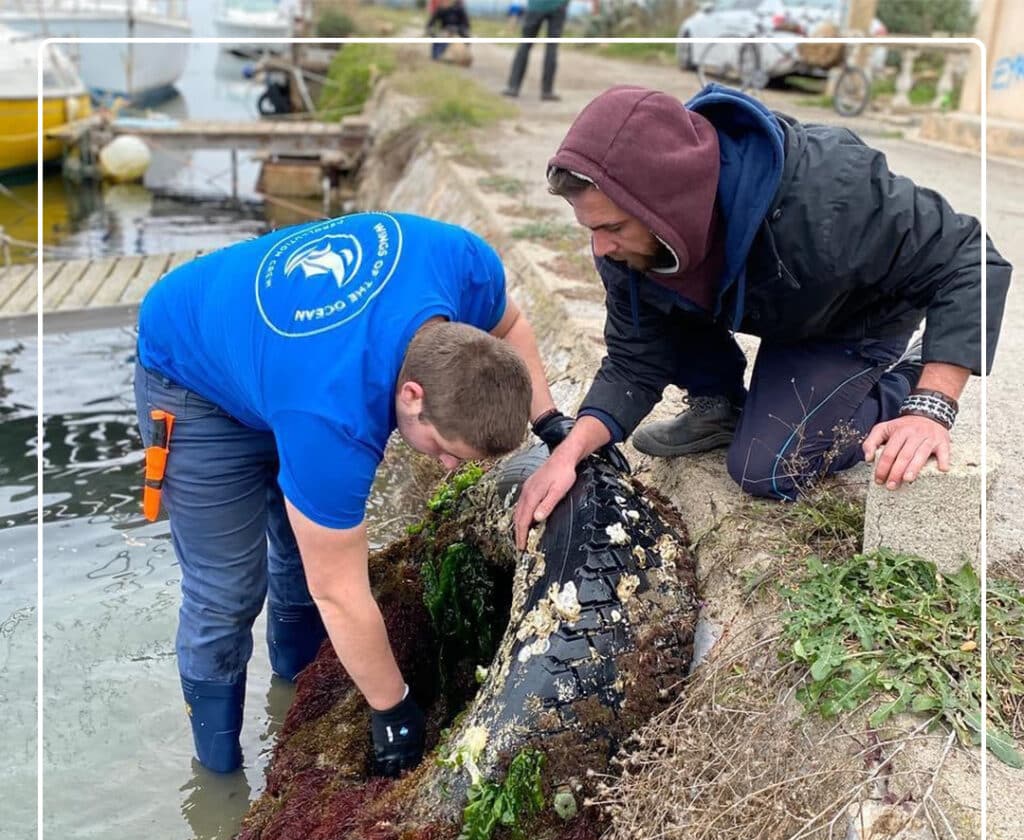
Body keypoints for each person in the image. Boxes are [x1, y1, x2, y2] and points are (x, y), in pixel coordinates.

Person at [135, 212, 557, 776]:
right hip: (192, 375)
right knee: (227, 591)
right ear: (411, 396)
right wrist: (393, 709)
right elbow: (337, 591)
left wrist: (551, 424)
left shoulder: (461, 263)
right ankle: (218, 772)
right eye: (445, 449)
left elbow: (513, 326)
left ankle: (294, 700)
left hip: (282, 364)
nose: (450, 466)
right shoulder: (333, 418)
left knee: (297, 558)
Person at [513, 84, 1012, 549]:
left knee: (769, 467)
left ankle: (909, 373)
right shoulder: (629, 246)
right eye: (592, 229)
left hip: (852, 316)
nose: (601, 247)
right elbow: (634, 360)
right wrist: (569, 453)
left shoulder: (831, 192)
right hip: (782, 308)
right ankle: (719, 405)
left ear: (666, 205)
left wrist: (932, 406)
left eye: (613, 227)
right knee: (657, 288)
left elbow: (969, 257)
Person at [502, 0, 570, 101]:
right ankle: (547, 91)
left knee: (525, 44)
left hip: (536, 6)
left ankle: (513, 87)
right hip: (558, 5)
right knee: (552, 47)